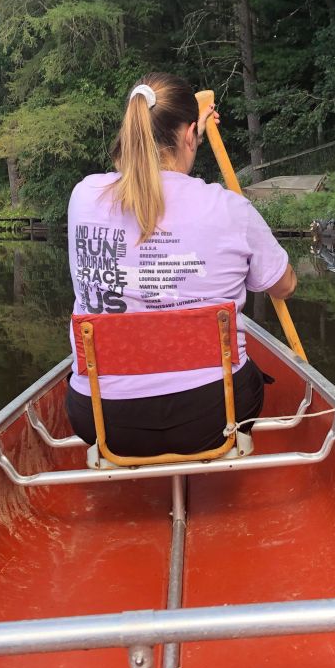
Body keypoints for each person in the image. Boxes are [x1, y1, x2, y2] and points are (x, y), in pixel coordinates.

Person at [66, 71, 297, 456]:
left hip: (103, 422)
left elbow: (142, 176)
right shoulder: (230, 209)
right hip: (213, 417)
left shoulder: (84, 196)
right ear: (190, 135)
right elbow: (284, 286)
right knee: (251, 375)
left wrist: (188, 137)